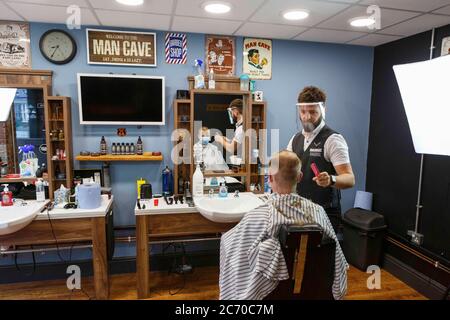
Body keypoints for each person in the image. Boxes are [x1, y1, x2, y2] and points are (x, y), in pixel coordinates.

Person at [219, 150, 348, 300]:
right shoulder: (319, 212)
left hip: (273, 295)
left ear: (270, 178)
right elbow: (336, 258)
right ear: (299, 177)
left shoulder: (258, 215)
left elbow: (232, 252)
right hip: (313, 289)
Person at [287, 86, 355, 232]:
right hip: (301, 209)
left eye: (312, 112)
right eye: (303, 112)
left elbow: (350, 179)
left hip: (325, 211)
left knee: (319, 255)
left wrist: (331, 179)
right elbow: (286, 167)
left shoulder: (333, 140)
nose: (307, 117)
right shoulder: (295, 139)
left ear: (323, 110)